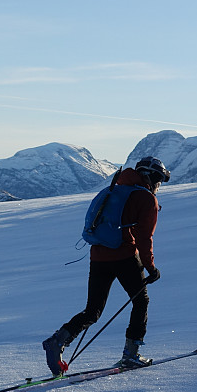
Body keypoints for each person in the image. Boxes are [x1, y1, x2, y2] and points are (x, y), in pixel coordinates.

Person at [42, 156, 170, 375]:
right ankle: (131, 354)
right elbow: (144, 238)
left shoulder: (113, 189)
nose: (158, 185)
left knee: (93, 310)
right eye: (158, 179)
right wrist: (151, 267)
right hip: (125, 256)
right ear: (150, 176)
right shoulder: (145, 198)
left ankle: (58, 340)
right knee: (141, 301)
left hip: (98, 256)